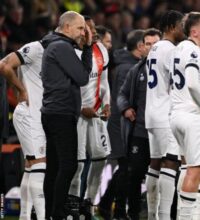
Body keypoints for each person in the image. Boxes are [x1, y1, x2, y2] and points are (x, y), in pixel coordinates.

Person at [40, 11, 92, 219]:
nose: (83, 33)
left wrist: (84, 48)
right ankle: (57, 212)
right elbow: (82, 77)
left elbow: (80, 76)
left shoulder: (56, 45)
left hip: (54, 112)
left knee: (54, 167)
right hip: (60, 113)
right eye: (80, 28)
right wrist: (87, 48)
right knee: (68, 165)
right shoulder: (61, 47)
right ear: (67, 27)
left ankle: (51, 212)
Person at [169, 12, 200, 220]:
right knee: (195, 169)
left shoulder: (178, 49)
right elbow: (193, 83)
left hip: (177, 114)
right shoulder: (193, 51)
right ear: (194, 31)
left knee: (189, 166)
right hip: (193, 115)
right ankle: (187, 217)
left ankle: (189, 214)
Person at [98, 29, 145, 219]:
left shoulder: (127, 64)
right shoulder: (128, 68)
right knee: (128, 168)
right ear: (139, 46)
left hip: (123, 122)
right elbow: (123, 98)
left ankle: (107, 205)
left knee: (127, 168)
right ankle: (113, 209)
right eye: (148, 44)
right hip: (122, 124)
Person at [67, 16, 111, 218]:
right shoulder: (69, 52)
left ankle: (89, 203)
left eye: (93, 29)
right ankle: (72, 204)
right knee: (78, 163)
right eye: (87, 29)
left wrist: (107, 101)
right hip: (76, 113)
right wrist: (81, 107)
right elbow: (65, 87)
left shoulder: (101, 50)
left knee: (101, 159)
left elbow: (103, 81)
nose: (92, 32)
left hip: (96, 113)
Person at [144, 10, 185, 220]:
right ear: (171, 27)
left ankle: (153, 215)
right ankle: (164, 215)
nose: (184, 30)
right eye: (181, 25)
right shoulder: (170, 50)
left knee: (155, 163)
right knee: (171, 162)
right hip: (165, 112)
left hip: (152, 112)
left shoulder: (155, 48)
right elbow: (179, 83)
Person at [117, 28, 161, 220]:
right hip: (141, 131)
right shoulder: (136, 70)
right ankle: (133, 213)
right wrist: (125, 107)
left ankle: (166, 213)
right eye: (148, 44)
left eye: (155, 44)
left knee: (166, 175)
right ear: (142, 47)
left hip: (162, 132)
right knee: (134, 175)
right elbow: (122, 94)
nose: (151, 48)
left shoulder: (169, 69)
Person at [0, 40, 43, 219]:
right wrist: (22, 90)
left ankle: (25, 215)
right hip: (26, 114)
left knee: (30, 166)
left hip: (8, 119)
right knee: (39, 164)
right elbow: (4, 65)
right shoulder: (35, 49)